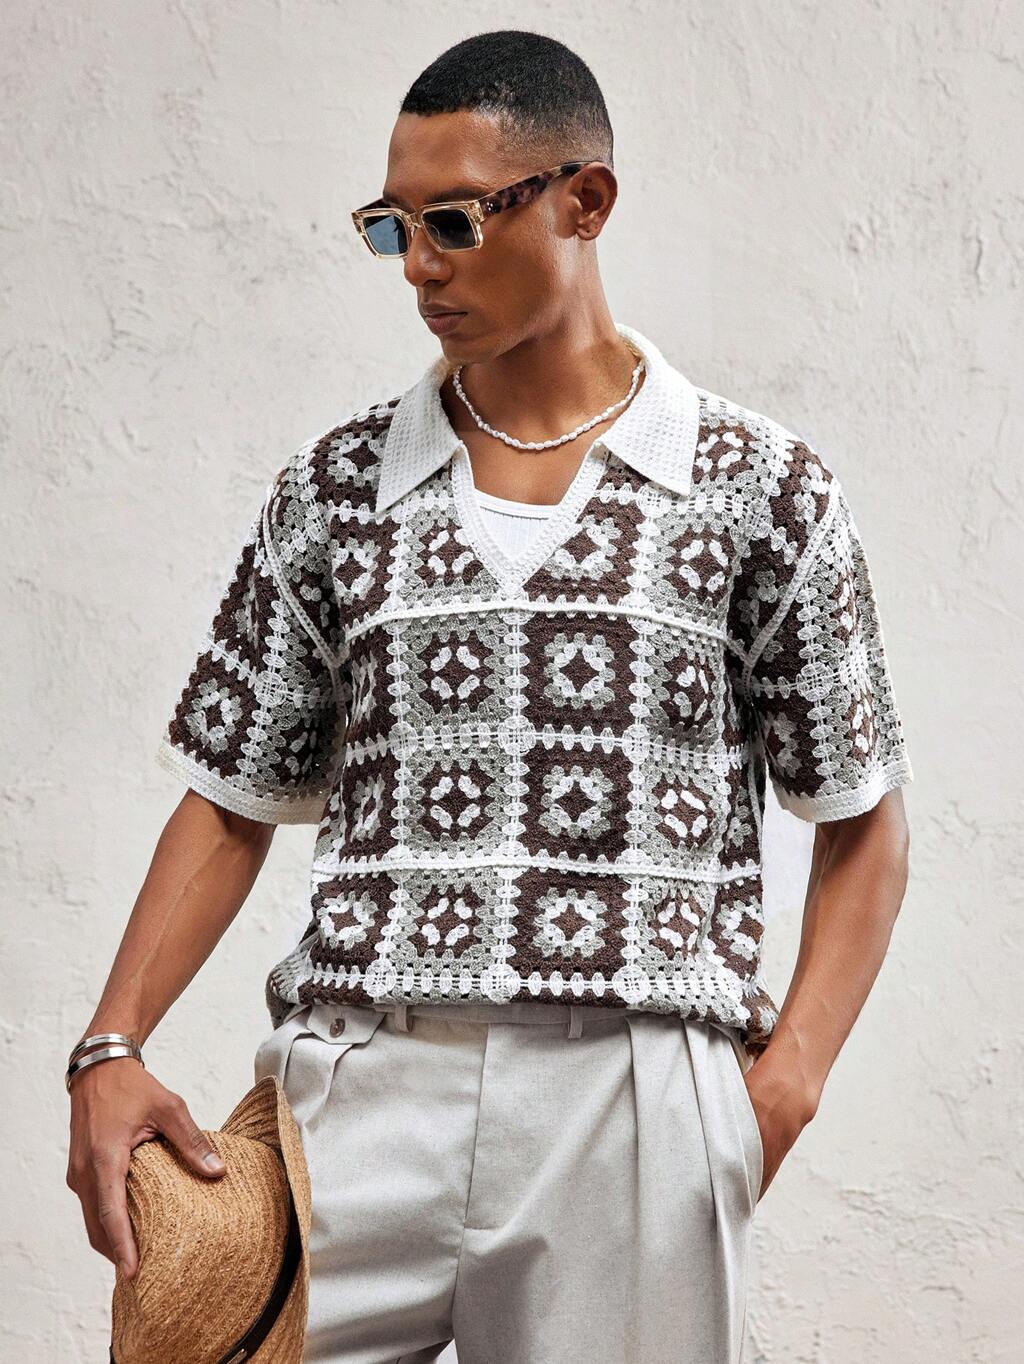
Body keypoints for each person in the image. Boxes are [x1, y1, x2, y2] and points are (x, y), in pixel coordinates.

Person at [66, 28, 913, 1364]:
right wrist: (110, 1046)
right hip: (358, 1087)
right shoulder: (335, 490)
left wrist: (783, 1086)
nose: (420, 265)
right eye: (391, 226)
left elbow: (862, 817)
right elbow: (232, 798)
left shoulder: (761, 487)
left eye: (454, 220)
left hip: (629, 1097)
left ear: (586, 202)